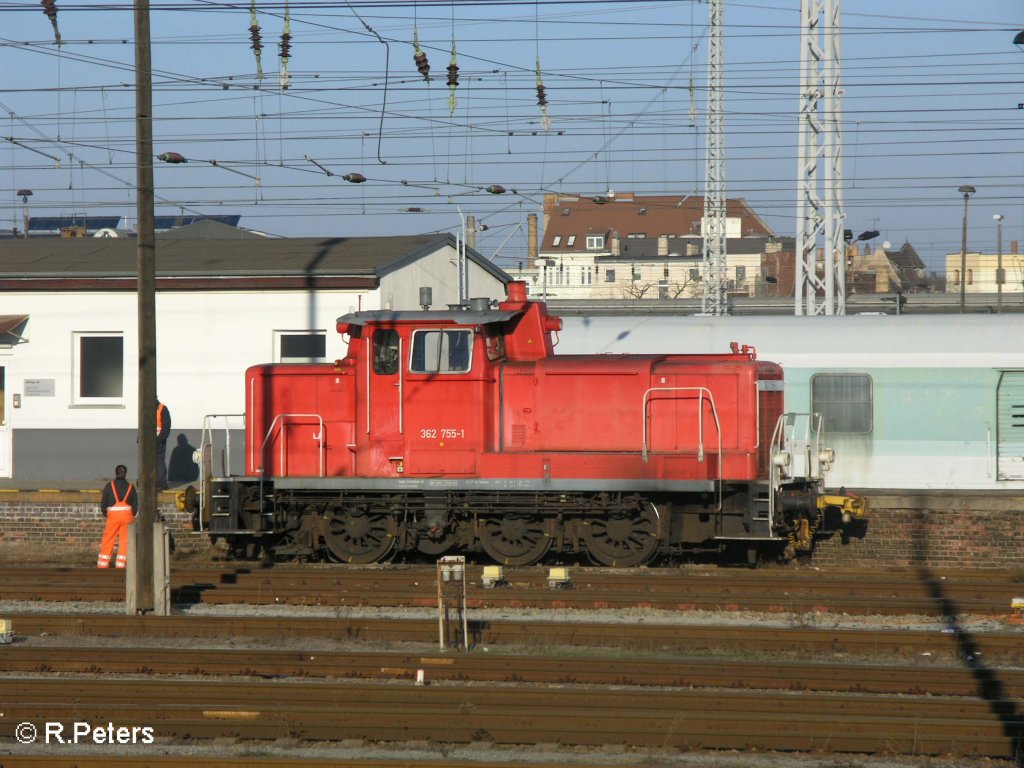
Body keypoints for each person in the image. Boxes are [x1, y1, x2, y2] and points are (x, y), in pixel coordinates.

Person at [97, 464, 138, 569]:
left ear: (116, 473)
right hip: (127, 517)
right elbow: (135, 506)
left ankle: (103, 565)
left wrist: (108, 515)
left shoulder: (109, 486)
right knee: (124, 541)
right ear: (125, 474)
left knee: (108, 539)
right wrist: (130, 515)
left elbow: (103, 505)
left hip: (112, 517)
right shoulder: (131, 487)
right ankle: (121, 565)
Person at [156, 398, 171, 490]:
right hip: (147, 440)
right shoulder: (146, 409)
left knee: (159, 460)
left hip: (159, 440)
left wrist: (159, 440)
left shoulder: (163, 409)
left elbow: (166, 428)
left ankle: (161, 482)